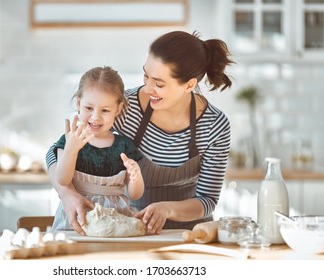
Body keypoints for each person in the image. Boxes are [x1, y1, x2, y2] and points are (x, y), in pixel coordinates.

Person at [46, 30, 234, 235]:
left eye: (159, 83)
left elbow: (207, 200)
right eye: (146, 75)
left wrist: (166, 208)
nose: (148, 87)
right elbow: (57, 152)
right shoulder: (125, 107)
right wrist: (67, 194)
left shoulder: (214, 125)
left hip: (190, 233)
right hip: (132, 226)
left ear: (189, 85)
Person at [49, 66, 145, 234]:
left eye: (105, 110)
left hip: (116, 221)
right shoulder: (69, 140)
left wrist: (136, 177)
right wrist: (71, 150)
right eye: (89, 108)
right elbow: (63, 179)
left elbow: (135, 194)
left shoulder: (124, 145)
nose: (95, 116)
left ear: (118, 109)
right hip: (76, 220)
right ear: (79, 103)